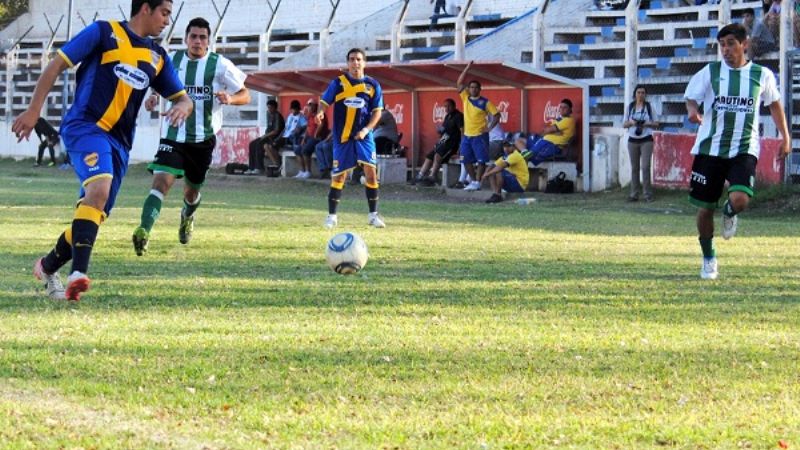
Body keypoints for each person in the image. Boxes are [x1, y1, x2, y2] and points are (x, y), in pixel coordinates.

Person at [12, 0, 192, 301]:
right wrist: (33, 111)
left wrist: (183, 107)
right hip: (85, 127)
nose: (167, 21)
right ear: (145, 8)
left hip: (119, 144)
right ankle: (78, 274)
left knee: (95, 210)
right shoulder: (103, 32)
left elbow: (183, 98)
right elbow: (56, 65)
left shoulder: (158, 56)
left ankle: (46, 266)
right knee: (100, 188)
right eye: (164, 13)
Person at [132, 17, 250, 256]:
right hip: (173, 135)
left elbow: (245, 94)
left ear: (208, 41)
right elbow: (157, 82)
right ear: (186, 38)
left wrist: (231, 99)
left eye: (202, 37)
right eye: (193, 36)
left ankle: (187, 215)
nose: (197, 41)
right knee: (161, 182)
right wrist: (154, 96)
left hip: (202, 140)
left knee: (191, 192)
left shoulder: (220, 65)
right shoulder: (172, 60)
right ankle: (144, 230)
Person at [684, 23, 790, 280]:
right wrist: (691, 111)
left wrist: (785, 137)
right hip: (711, 148)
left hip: (744, 147)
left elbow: (775, 106)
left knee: (741, 199)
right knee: (705, 208)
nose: (726, 50)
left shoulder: (761, 74)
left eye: (731, 43)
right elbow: (691, 96)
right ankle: (709, 258)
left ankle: (730, 213)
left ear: (745, 44)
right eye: (722, 45)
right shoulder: (710, 72)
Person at [316, 47, 385, 229]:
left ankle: (373, 215)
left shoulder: (373, 85)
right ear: (347, 63)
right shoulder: (338, 83)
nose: (355, 63)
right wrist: (321, 113)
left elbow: (377, 113)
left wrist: (366, 130)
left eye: (359, 59)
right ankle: (332, 216)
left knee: (371, 172)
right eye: (352, 59)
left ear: (364, 62)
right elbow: (324, 102)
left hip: (364, 136)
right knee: (339, 176)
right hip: (343, 137)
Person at [456, 61, 500, 191]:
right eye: (471, 87)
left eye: (476, 87)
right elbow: (458, 83)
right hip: (467, 136)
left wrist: (490, 128)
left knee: (481, 161)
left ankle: (477, 182)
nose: (473, 89)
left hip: (480, 136)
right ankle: (474, 180)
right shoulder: (465, 98)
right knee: (465, 160)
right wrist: (467, 68)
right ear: (468, 89)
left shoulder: (485, 102)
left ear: (480, 89)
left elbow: (497, 115)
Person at [412, 98, 463, 186]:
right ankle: (420, 176)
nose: (447, 108)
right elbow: (445, 133)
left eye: (449, 106)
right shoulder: (447, 117)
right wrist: (439, 137)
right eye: (445, 106)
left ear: (454, 106)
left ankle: (432, 177)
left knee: (438, 154)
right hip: (444, 141)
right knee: (430, 155)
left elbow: (462, 131)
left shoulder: (458, 116)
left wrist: (461, 145)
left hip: (453, 144)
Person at [623, 85, 659, 202]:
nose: (641, 95)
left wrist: (646, 124)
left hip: (646, 139)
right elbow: (624, 124)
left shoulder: (649, 107)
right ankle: (634, 194)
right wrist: (632, 123)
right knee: (634, 168)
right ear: (635, 94)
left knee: (645, 167)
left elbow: (657, 123)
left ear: (645, 94)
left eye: (643, 93)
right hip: (632, 139)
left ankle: (647, 194)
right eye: (638, 92)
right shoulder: (630, 107)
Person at [524, 98, 576, 166]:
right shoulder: (558, 119)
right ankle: (523, 153)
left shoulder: (569, 120)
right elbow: (544, 130)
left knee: (529, 157)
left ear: (570, 110)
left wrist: (550, 131)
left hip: (552, 145)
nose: (562, 109)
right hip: (543, 140)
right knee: (519, 142)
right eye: (561, 107)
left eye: (565, 107)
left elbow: (548, 130)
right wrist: (554, 131)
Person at [481, 134, 530, 203]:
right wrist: (486, 173)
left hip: (520, 185)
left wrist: (487, 174)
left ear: (513, 147)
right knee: (492, 171)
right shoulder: (505, 156)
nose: (505, 148)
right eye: (504, 146)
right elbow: (493, 165)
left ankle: (498, 195)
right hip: (513, 181)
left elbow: (501, 167)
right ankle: (495, 194)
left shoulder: (515, 155)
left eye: (508, 146)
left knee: (498, 171)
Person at [266, 99, 306, 174]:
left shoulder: (301, 117)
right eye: (292, 109)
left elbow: (305, 126)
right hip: (285, 137)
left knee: (272, 146)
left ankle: (279, 165)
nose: (293, 111)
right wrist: (278, 138)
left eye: (294, 109)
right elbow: (285, 129)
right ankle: (278, 164)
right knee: (271, 146)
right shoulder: (290, 116)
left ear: (298, 109)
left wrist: (300, 128)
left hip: (292, 138)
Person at [246, 99, 283, 174]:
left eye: (270, 108)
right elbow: (268, 127)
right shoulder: (268, 113)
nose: (269, 109)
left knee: (259, 144)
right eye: (268, 107)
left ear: (275, 108)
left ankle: (259, 168)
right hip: (267, 136)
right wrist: (264, 135)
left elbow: (276, 131)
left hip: (274, 138)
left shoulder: (278, 116)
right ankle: (251, 167)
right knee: (252, 144)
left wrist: (265, 136)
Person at [295, 100, 328, 179]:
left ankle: (308, 171)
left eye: (311, 105)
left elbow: (321, 125)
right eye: (309, 105)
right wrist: (304, 139)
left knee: (305, 150)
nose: (309, 106)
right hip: (309, 137)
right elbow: (308, 128)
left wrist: (316, 134)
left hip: (318, 138)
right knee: (297, 150)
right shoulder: (310, 116)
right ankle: (302, 171)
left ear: (316, 106)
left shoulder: (320, 114)